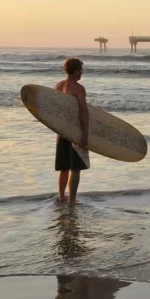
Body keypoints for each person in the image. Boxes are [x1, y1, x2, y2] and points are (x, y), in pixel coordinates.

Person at [55, 58, 90, 202]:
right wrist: (85, 135)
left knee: (64, 168)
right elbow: (83, 113)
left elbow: (53, 111)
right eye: (81, 70)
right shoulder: (78, 88)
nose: (82, 73)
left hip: (62, 132)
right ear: (76, 71)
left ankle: (61, 196)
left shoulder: (58, 85)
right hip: (75, 132)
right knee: (75, 169)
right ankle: (72, 200)